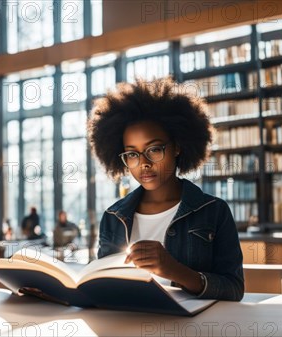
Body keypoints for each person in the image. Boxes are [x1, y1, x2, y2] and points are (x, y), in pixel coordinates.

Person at [87, 77, 244, 301]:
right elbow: (102, 286)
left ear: (177, 146)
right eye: (132, 154)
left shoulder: (214, 211)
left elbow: (234, 289)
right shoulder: (113, 217)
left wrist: (175, 270)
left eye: (154, 149)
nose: (144, 163)